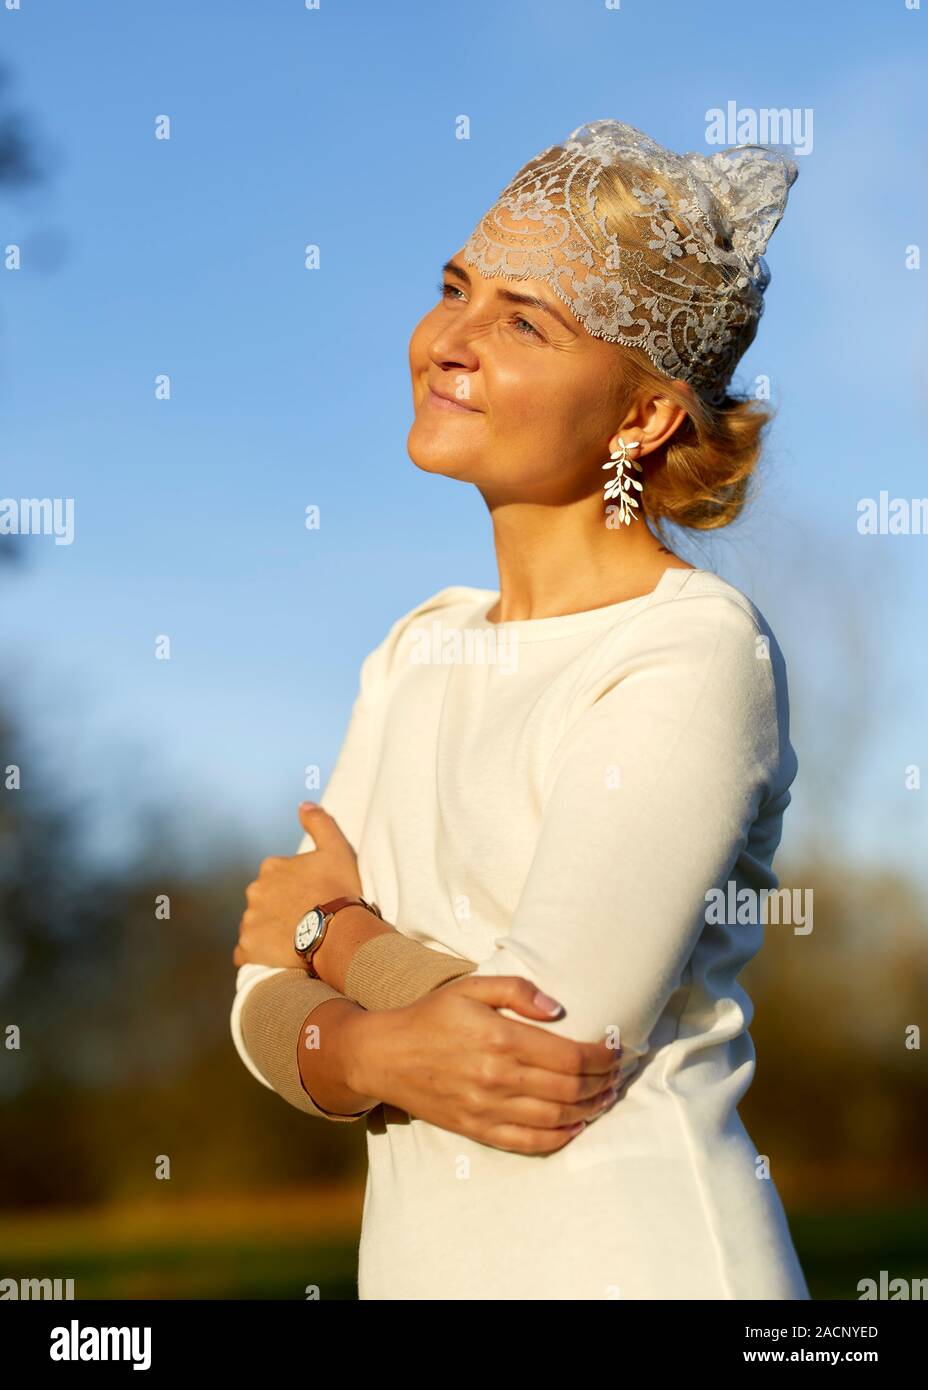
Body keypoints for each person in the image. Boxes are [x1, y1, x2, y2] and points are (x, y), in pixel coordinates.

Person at [230, 119, 810, 1300]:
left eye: (522, 320)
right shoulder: (413, 649)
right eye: (456, 288)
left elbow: (545, 1055)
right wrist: (353, 1019)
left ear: (644, 416)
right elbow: (250, 998)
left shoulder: (690, 649)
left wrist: (330, 942)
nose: (448, 340)